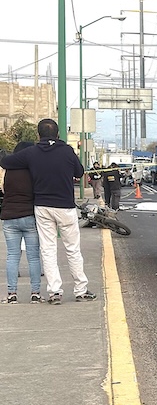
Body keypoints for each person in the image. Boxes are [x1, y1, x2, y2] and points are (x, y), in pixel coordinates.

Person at [0, 119, 96, 304]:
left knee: (48, 250)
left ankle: (54, 292)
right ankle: (80, 290)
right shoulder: (67, 151)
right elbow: (79, 171)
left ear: (38, 135)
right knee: (73, 249)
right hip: (65, 207)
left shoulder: (31, 152)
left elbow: (6, 162)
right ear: (58, 134)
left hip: (43, 207)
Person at [0, 141, 44, 304]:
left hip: (9, 217)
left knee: (12, 256)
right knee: (33, 257)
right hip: (29, 215)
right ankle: (35, 294)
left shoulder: (8, 170)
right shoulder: (34, 170)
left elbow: (4, 190)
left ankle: (12, 294)